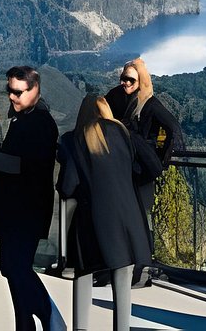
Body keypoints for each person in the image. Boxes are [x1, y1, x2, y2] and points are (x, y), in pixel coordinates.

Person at [0, 64, 61, 331]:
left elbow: (23, 165)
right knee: (12, 269)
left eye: (18, 92)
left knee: (16, 269)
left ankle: (49, 315)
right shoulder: (26, 119)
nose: (12, 97)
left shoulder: (40, 122)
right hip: (17, 209)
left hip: (25, 210)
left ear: (35, 90)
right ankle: (27, 324)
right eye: (10, 91)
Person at [57, 95, 152, 331]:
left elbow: (68, 186)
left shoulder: (74, 139)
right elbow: (144, 167)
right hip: (129, 219)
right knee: (122, 277)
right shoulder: (121, 133)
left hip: (94, 221)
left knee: (83, 271)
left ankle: (81, 328)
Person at [105, 57, 183, 212]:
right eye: (123, 78)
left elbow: (172, 128)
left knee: (139, 212)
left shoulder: (150, 104)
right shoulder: (116, 95)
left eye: (130, 79)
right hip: (122, 166)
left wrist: (157, 153)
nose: (125, 82)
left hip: (140, 169)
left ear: (140, 80)